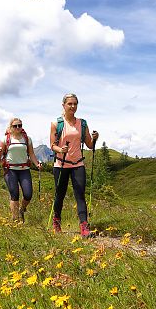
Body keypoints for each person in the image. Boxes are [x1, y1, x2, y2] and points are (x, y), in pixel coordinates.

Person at [49, 93, 98, 237]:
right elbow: (52, 144)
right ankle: (56, 222)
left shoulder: (82, 123)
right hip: (61, 164)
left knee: (80, 195)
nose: (73, 106)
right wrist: (60, 149)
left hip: (78, 164)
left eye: (75, 104)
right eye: (70, 104)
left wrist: (95, 138)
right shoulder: (56, 124)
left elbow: (89, 144)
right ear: (63, 105)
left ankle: (84, 227)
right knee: (60, 195)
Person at [0, 117, 43, 223]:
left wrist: (37, 164)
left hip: (24, 169)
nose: (18, 127)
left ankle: (22, 210)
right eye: (15, 126)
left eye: (20, 125)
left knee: (28, 194)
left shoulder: (27, 139)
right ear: (11, 127)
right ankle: (16, 219)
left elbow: (31, 154)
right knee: (14, 194)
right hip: (10, 169)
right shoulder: (5, 139)